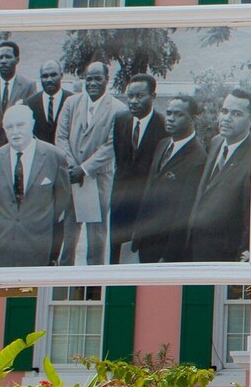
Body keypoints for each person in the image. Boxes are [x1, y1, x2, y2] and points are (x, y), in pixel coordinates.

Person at [54, 62, 130, 265]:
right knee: (69, 231)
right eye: (89, 79)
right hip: (73, 178)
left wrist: (85, 168)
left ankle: (94, 278)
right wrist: (72, 167)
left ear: (107, 80)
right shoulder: (71, 103)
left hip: (99, 178)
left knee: (97, 234)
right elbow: (60, 137)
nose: (93, 83)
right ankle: (65, 275)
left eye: (98, 78)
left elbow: (112, 145)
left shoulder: (118, 109)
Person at [0, 105, 73, 267]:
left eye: (20, 125)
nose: (15, 131)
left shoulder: (55, 157)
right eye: (9, 127)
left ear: (32, 124)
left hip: (37, 245)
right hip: (0, 246)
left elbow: (61, 203)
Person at [130, 96, 206, 263]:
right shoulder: (163, 145)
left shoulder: (197, 158)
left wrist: (169, 256)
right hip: (146, 240)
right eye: (169, 113)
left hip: (166, 248)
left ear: (193, 119)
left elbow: (184, 213)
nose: (170, 118)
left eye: (178, 114)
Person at [187, 88, 251, 262]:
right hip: (198, 247)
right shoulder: (216, 142)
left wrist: (245, 253)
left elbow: (250, 216)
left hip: (226, 255)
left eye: (236, 114)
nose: (226, 118)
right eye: (224, 111)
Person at [110, 74, 167, 263]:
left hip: (148, 206)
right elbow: (121, 161)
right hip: (121, 203)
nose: (133, 102)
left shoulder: (164, 127)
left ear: (153, 96)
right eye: (130, 96)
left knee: (143, 259)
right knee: (116, 258)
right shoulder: (120, 120)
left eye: (139, 96)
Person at [0, 41, 38, 144]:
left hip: (17, 148)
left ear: (17, 60)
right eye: (0, 57)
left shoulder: (28, 86)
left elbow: (30, 120)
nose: (3, 61)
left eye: (8, 57)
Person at [28, 61, 72, 144]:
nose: (49, 80)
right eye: (45, 76)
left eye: (53, 75)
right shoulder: (30, 103)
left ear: (61, 75)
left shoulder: (72, 100)